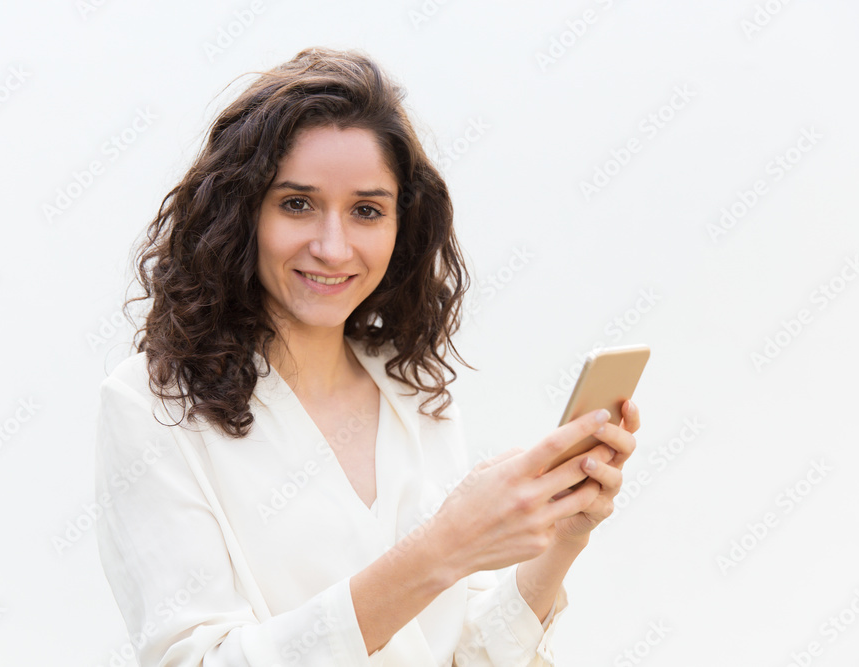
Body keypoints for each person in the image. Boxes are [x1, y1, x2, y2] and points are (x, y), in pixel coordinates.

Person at [94, 46, 640, 666]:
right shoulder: (152, 404)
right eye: (296, 203)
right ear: (241, 213)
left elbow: (465, 654)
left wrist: (561, 541)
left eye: (366, 211)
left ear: (400, 226)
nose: (333, 246)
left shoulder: (413, 392)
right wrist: (442, 549)